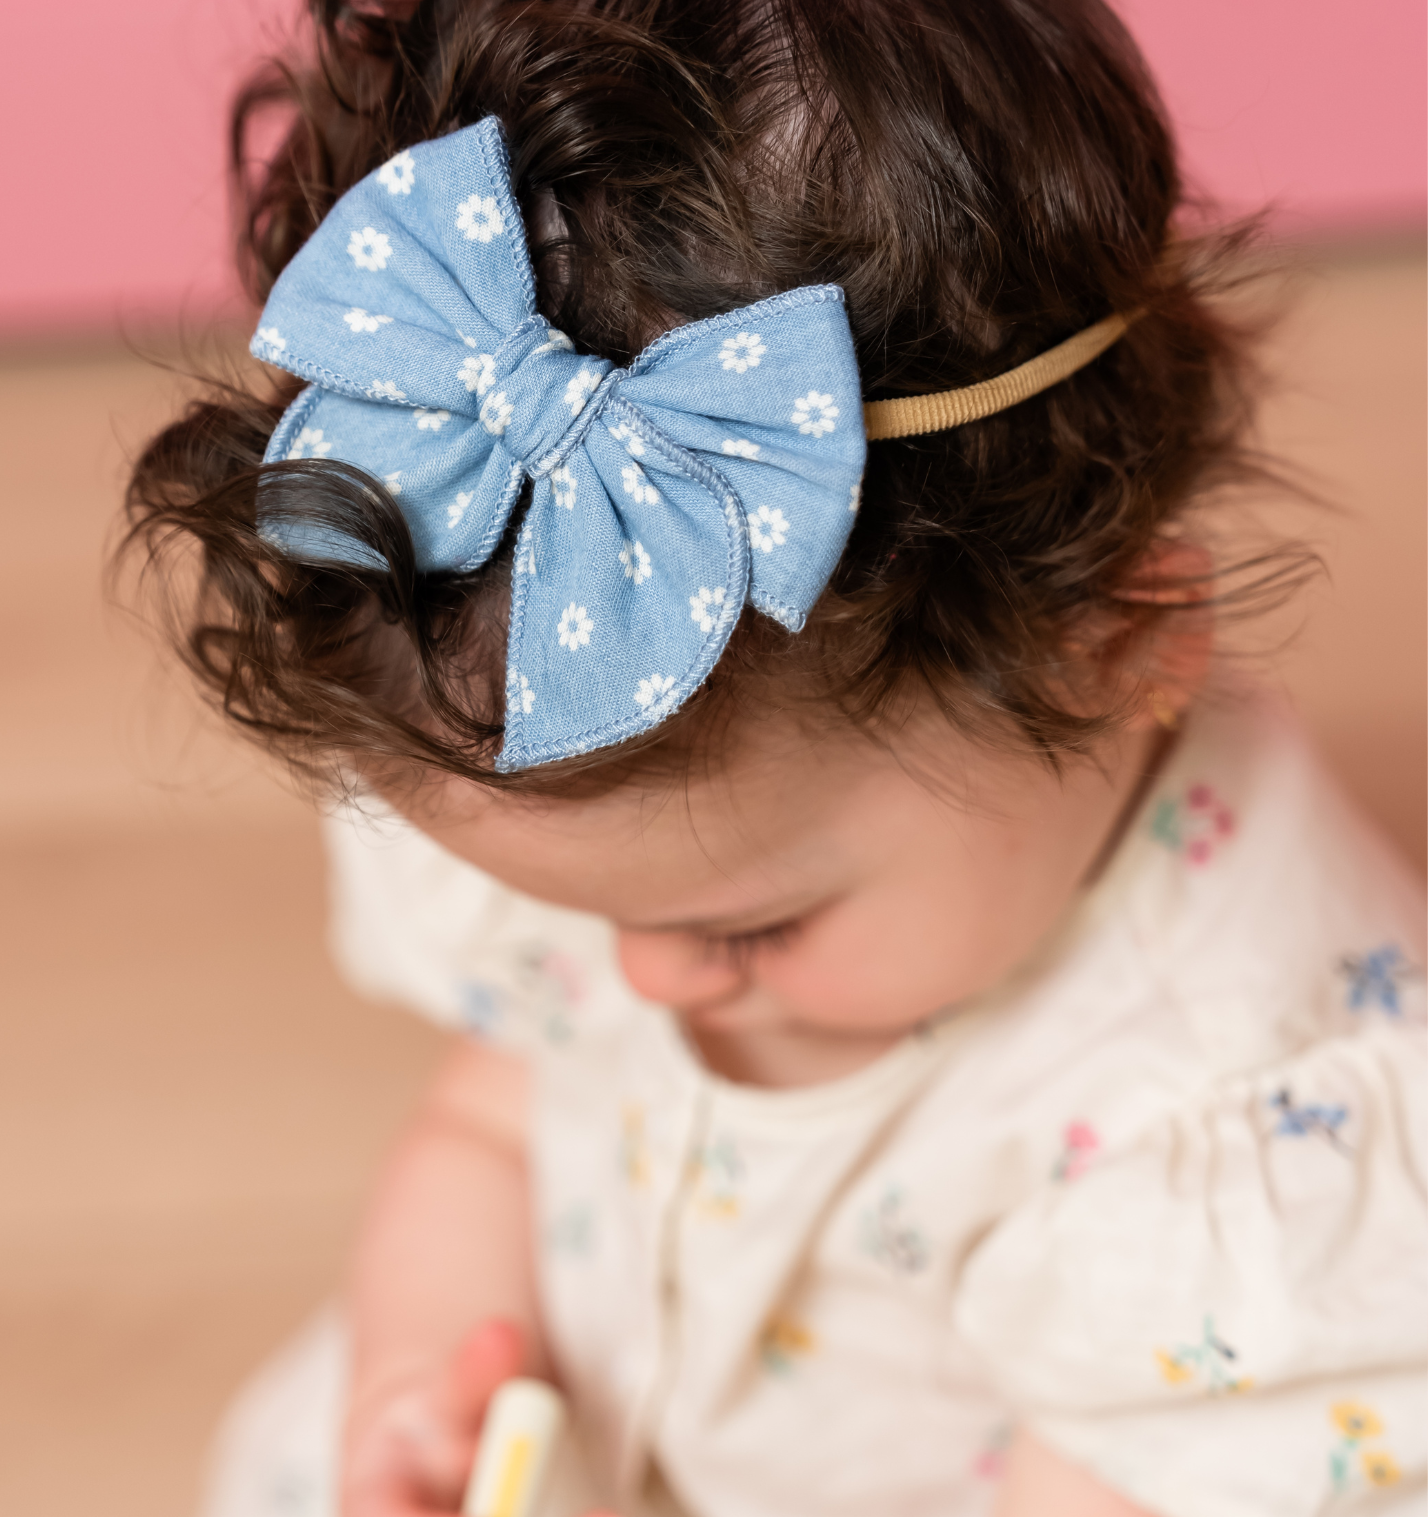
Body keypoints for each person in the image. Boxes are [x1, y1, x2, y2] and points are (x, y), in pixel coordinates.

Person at [123, 2, 1426, 1514]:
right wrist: (422, 1382)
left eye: (749, 928)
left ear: (1111, 645)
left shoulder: (1214, 1124)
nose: (641, 980)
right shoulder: (663, 863)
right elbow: (496, 1124)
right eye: (581, 916)